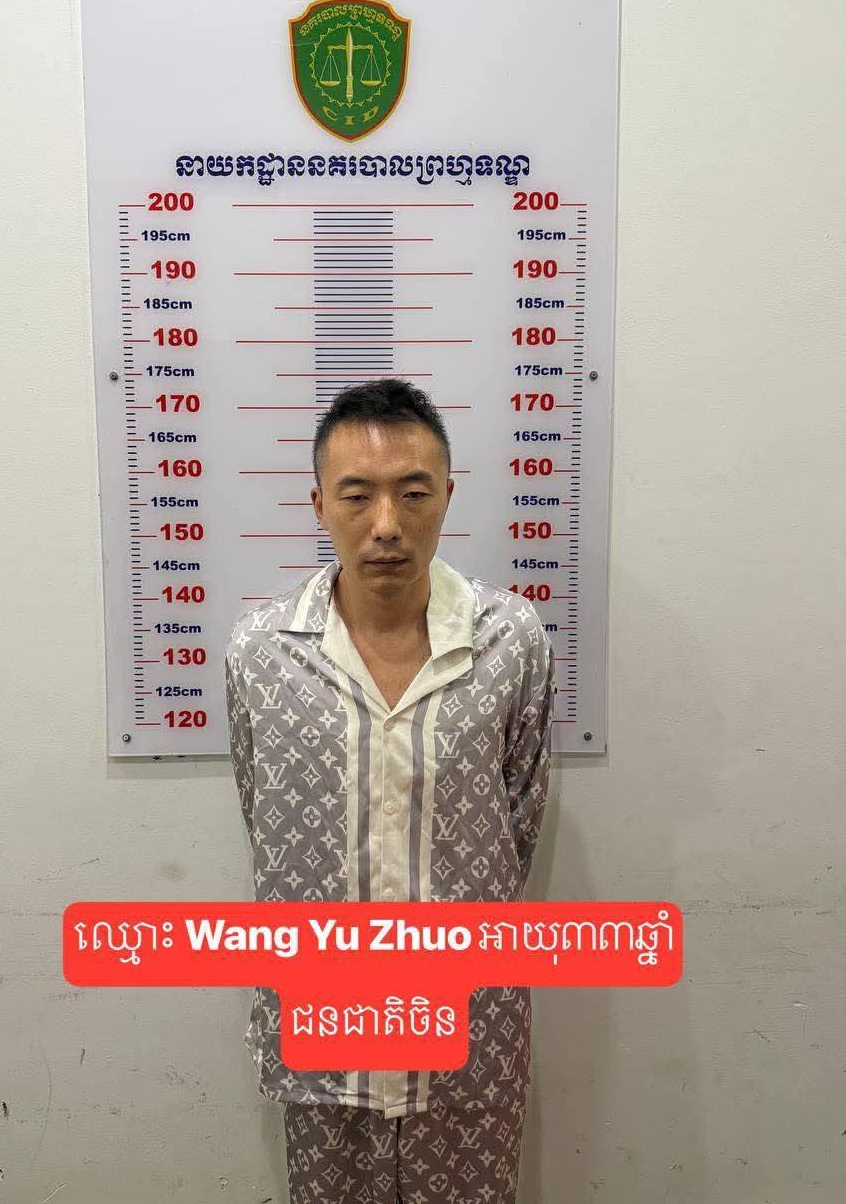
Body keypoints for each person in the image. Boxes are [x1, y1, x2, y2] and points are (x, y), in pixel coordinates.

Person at [224, 379, 556, 1204]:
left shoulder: (510, 641)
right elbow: (266, 821)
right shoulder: (262, 653)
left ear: (447, 495)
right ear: (319, 503)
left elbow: (517, 820)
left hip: (470, 1025)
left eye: (413, 493)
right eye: (357, 495)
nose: (386, 525)